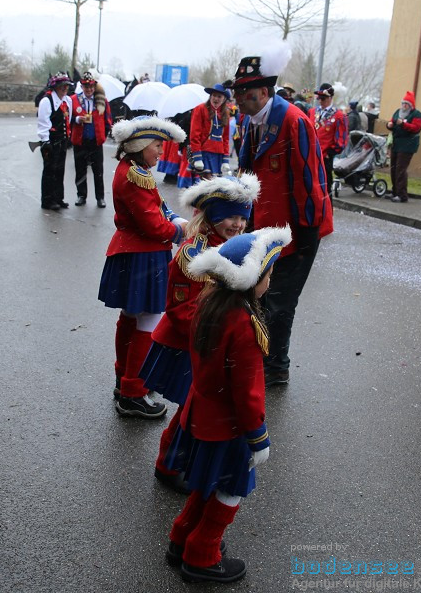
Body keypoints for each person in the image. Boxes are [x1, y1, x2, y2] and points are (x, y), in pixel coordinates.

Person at [163, 226, 290, 584]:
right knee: (231, 488)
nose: (270, 279)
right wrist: (258, 438)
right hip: (229, 427)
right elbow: (248, 394)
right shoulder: (244, 324)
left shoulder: (209, 305)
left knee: (207, 482)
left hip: (202, 416)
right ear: (249, 280)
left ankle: (181, 538)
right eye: (268, 273)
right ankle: (202, 554)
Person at [140, 173, 259, 492]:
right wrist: (221, 336)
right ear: (214, 216)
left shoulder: (229, 246)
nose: (238, 224)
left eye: (242, 217)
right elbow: (181, 310)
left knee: (193, 410)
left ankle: (183, 460)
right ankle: (167, 465)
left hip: (210, 346)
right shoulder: (195, 255)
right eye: (231, 216)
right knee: (188, 411)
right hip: (190, 347)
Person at [231, 52, 332, 387]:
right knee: (259, 292)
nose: (237, 98)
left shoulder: (294, 120)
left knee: (280, 299)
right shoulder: (249, 121)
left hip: (298, 227)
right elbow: (249, 171)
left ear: (261, 91)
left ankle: (276, 367)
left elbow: (309, 178)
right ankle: (266, 356)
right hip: (265, 225)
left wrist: (307, 231)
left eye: (243, 91)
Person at [98, 116, 189, 418]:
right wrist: (180, 231)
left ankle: (124, 379)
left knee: (130, 318)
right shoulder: (135, 174)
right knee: (147, 322)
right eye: (157, 145)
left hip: (132, 253)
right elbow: (152, 224)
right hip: (143, 256)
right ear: (140, 145)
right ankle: (133, 393)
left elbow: (158, 208)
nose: (162, 150)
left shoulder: (136, 170)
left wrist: (174, 218)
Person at [69, 72, 110, 207]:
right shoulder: (73, 99)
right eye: (86, 87)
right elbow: (68, 119)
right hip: (80, 141)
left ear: (94, 87)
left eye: (91, 87)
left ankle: (100, 197)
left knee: (98, 171)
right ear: (82, 86)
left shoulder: (102, 100)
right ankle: (81, 195)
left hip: (96, 141)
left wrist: (103, 135)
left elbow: (108, 120)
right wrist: (77, 119)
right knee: (80, 170)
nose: (89, 89)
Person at [34, 72, 74, 210]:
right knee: (49, 171)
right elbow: (43, 123)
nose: (64, 89)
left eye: (66, 86)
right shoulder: (47, 101)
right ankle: (47, 200)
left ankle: (58, 198)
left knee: (59, 170)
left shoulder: (67, 101)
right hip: (50, 142)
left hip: (62, 142)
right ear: (55, 86)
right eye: (62, 86)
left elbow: (68, 120)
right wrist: (45, 141)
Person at [188, 83, 234, 181]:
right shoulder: (200, 109)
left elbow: (225, 138)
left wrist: (225, 160)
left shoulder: (226, 113)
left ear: (224, 98)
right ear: (210, 96)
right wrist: (197, 157)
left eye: (219, 96)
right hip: (204, 152)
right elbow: (194, 134)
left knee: (214, 184)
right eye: (213, 95)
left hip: (218, 154)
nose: (216, 99)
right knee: (206, 182)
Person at [385, 91, 421, 203]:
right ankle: (395, 191)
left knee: (400, 169)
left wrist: (403, 124)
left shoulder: (417, 115)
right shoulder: (398, 112)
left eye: (406, 104)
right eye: (403, 103)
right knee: (393, 168)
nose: (404, 106)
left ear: (411, 106)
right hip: (396, 143)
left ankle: (402, 195)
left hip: (407, 145)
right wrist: (389, 125)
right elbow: (391, 122)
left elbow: (416, 128)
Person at [311, 83, 348, 196]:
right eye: (319, 98)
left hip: (325, 158)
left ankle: (326, 213)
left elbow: (342, 138)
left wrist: (330, 154)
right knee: (310, 187)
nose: (320, 101)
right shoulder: (312, 112)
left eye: (323, 98)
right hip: (310, 156)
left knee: (324, 190)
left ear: (330, 98)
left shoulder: (338, 116)